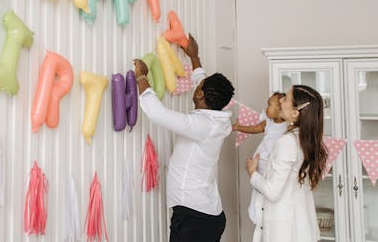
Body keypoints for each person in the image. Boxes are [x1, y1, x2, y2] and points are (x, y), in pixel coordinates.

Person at [134, 34, 235, 242]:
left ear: (200, 95)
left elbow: (157, 113)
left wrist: (141, 77)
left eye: (200, 86)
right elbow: (202, 82)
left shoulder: (202, 125)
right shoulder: (219, 120)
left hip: (194, 218)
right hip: (208, 214)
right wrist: (194, 57)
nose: (197, 85)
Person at [245, 85, 327, 242]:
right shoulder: (305, 139)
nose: (281, 100)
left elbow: (272, 191)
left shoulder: (287, 142)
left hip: (284, 230)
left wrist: (253, 173)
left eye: (286, 98)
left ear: (295, 112)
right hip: (299, 225)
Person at [233, 92, 287, 223]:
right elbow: (255, 128)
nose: (265, 108)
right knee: (258, 187)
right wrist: (238, 127)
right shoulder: (269, 122)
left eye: (269, 105)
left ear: (281, 110)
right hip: (260, 161)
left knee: (269, 189)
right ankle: (256, 212)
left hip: (272, 163)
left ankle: (265, 213)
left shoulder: (288, 127)